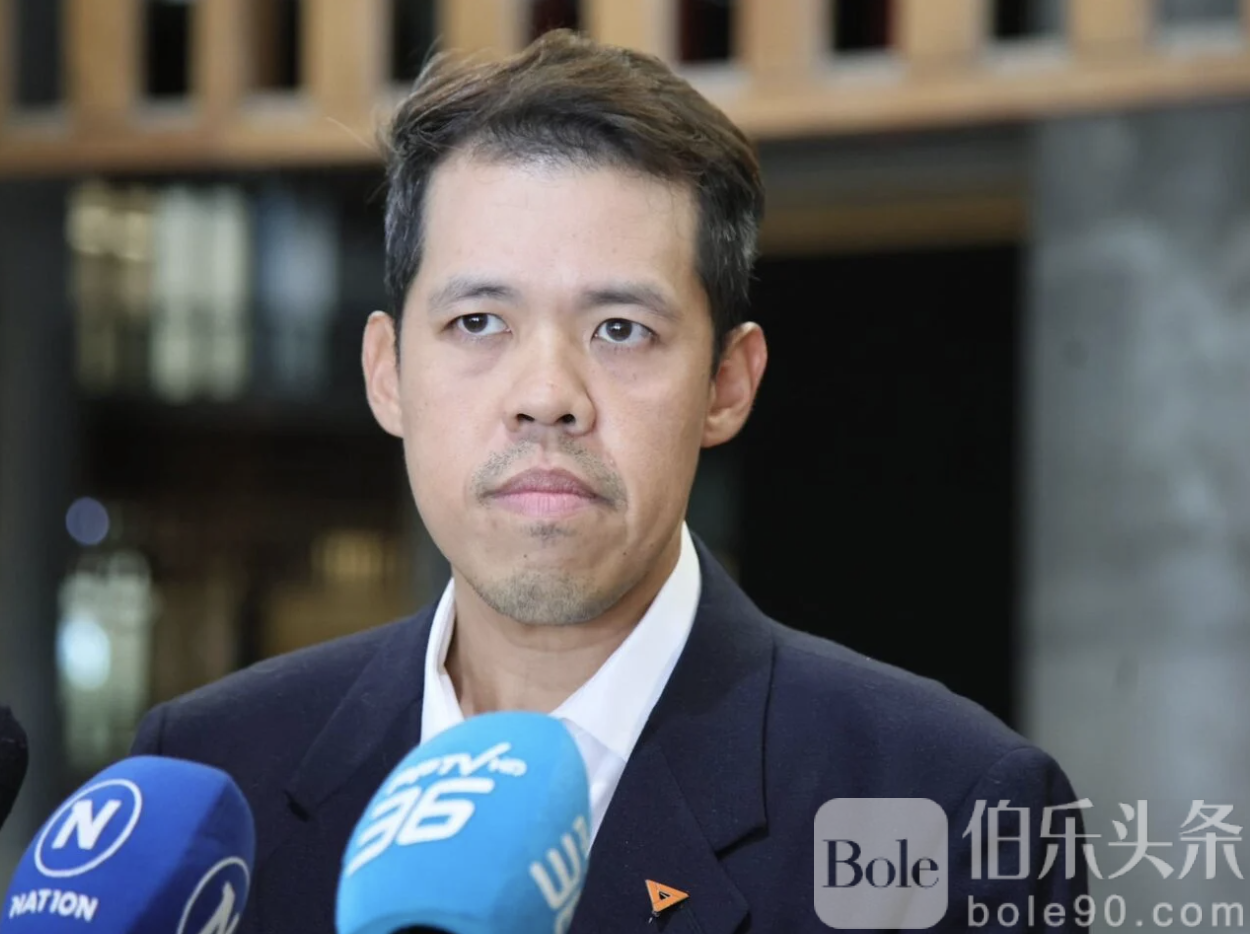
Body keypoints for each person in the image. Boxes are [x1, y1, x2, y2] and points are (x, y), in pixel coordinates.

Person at [132, 30, 1086, 933]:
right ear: (387, 374)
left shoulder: (946, 811)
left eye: (621, 330)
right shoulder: (211, 781)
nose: (547, 397)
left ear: (727, 384)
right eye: (478, 322)